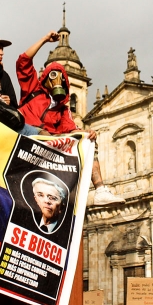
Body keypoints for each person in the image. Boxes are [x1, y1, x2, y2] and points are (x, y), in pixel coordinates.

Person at [16, 30, 125, 206]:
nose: (57, 81)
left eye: (61, 77)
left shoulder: (63, 110)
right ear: (45, 78)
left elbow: (72, 129)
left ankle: (100, 190)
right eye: (53, 75)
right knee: (45, 133)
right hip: (26, 141)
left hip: (47, 151)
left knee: (87, 143)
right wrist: (44, 39)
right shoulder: (32, 89)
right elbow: (23, 61)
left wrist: (86, 134)